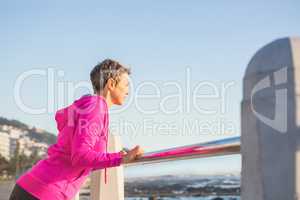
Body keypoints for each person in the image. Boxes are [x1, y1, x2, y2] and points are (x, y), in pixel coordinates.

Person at [9, 59, 144, 200]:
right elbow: (81, 156)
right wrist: (120, 158)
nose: (128, 91)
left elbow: (80, 157)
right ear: (111, 84)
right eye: (126, 84)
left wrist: (115, 157)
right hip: (44, 192)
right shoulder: (96, 107)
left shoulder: (91, 107)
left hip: (37, 188)